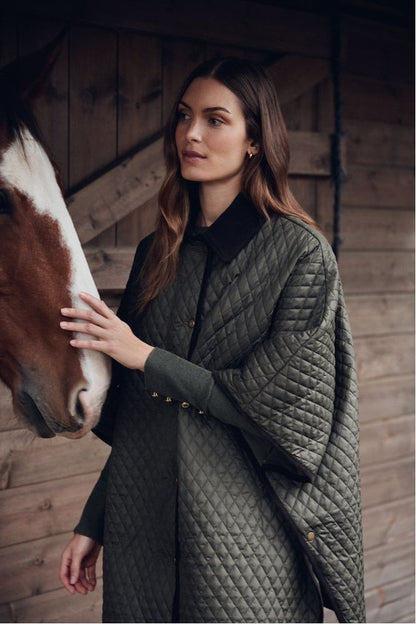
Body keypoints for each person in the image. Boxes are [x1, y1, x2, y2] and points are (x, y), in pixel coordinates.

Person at [59, 57, 365, 623]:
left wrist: (146, 357)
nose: (191, 134)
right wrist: (94, 523)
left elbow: (282, 413)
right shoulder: (158, 252)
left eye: (215, 119)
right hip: (142, 539)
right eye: (184, 116)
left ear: (255, 141)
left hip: (243, 549)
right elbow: (139, 416)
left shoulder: (301, 256)